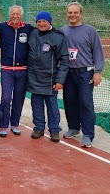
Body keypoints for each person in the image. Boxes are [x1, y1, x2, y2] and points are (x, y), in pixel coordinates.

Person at [60, 2, 105, 148]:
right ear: (67, 14)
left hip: (85, 73)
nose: (72, 15)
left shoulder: (90, 31)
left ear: (81, 14)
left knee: (85, 102)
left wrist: (97, 71)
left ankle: (88, 134)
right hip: (68, 72)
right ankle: (73, 127)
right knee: (70, 100)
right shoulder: (62, 31)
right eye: (70, 12)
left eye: (75, 12)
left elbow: (98, 51)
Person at [27, 11, 69, 142]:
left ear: (49, 21)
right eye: (38, 21)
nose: (41, 24)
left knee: (52, 106)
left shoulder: (58, 37)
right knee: (36, 105)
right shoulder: (33, 33)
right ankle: (39, 127)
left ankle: (54, 130)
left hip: (50, 79)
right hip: (34, 77)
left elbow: (64, 60)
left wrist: (60, 80)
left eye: (44, 21)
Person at [0, 6, 34, 137]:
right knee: (6, 98)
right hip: (7, 69)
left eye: (17, 14)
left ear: (22, 15)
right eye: (12, 14)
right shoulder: (1, 27)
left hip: (22, 69)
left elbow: (43, 32)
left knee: (19, 97)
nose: (15, 16)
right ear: (9, 15)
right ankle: (3, 125)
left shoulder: (29, 28)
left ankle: (15, 123)